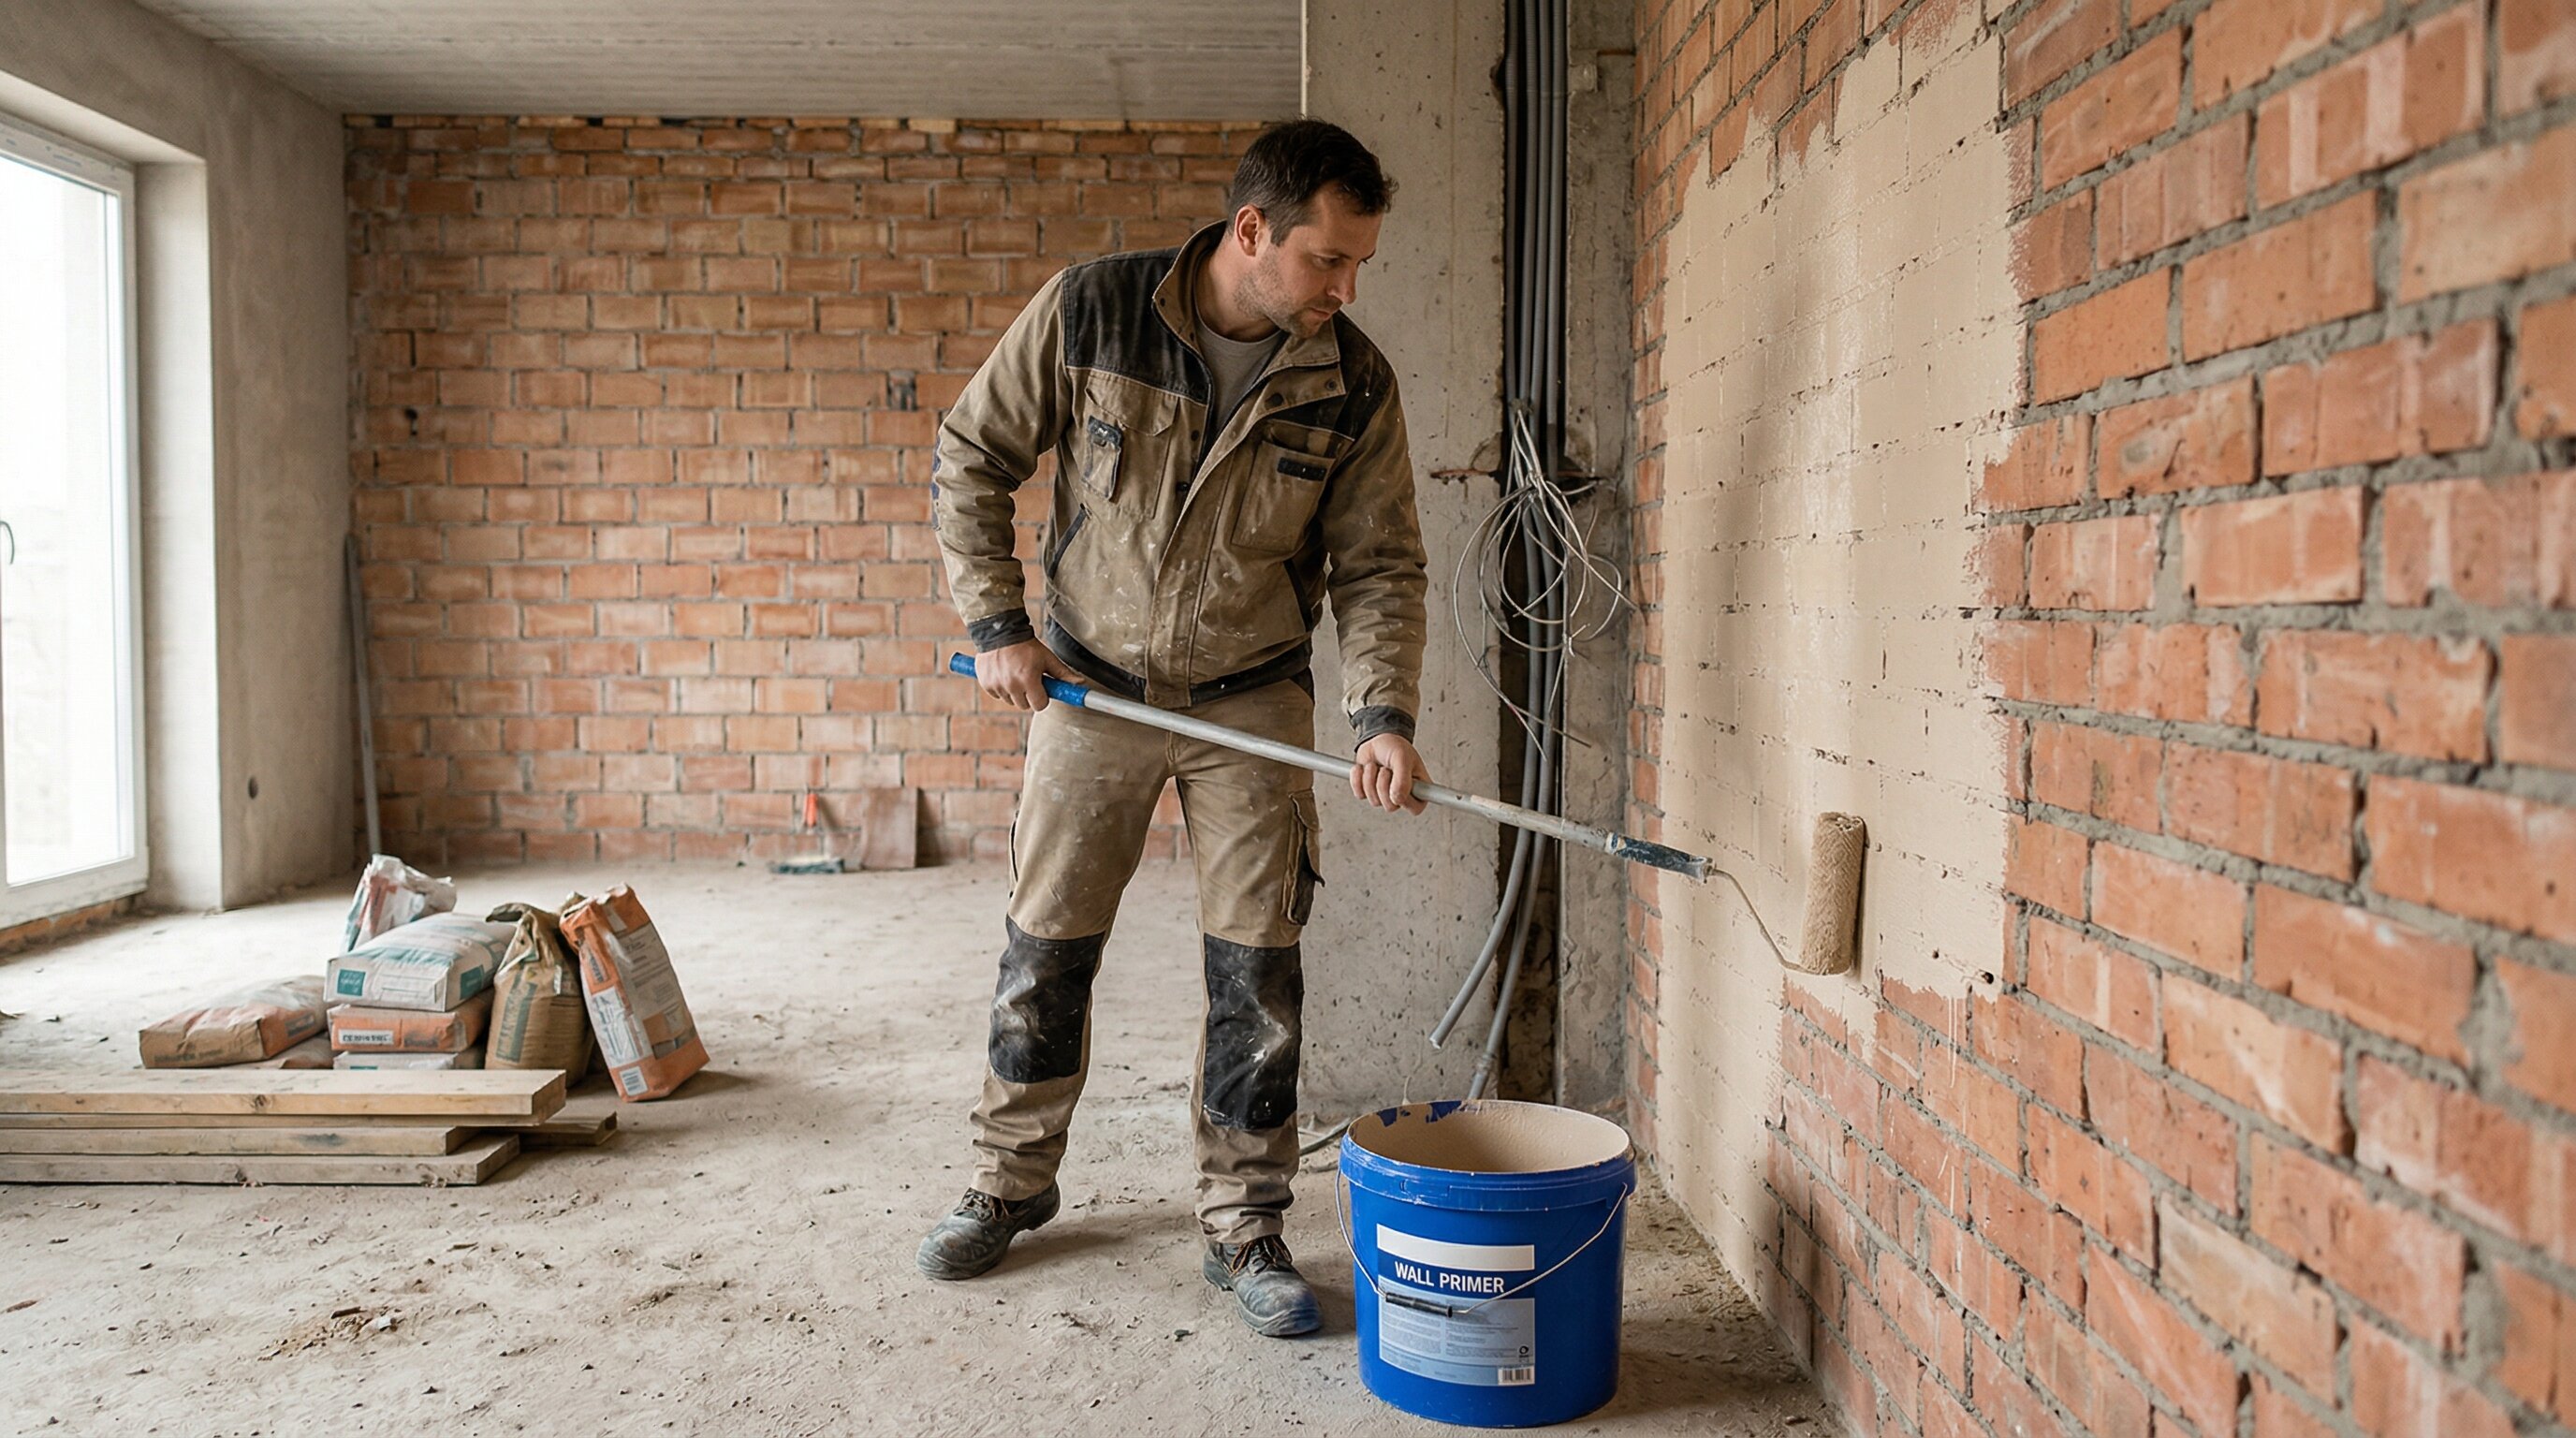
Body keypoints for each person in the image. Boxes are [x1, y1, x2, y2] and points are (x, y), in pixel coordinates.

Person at [915, 119, 1431, 1338]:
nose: (1347, 290)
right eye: (1328, 260)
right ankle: (1008, 1184)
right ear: (1252, 232)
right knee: (1047, 949)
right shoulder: (1093, 313)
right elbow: (969, 454)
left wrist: (1384, 715)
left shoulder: (1351, 381)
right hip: (1089, 688)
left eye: (1360, 266)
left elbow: (1381, 565)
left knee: (1259, 975)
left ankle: (1245, 1224)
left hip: (1253, 700)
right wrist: (996, 624)